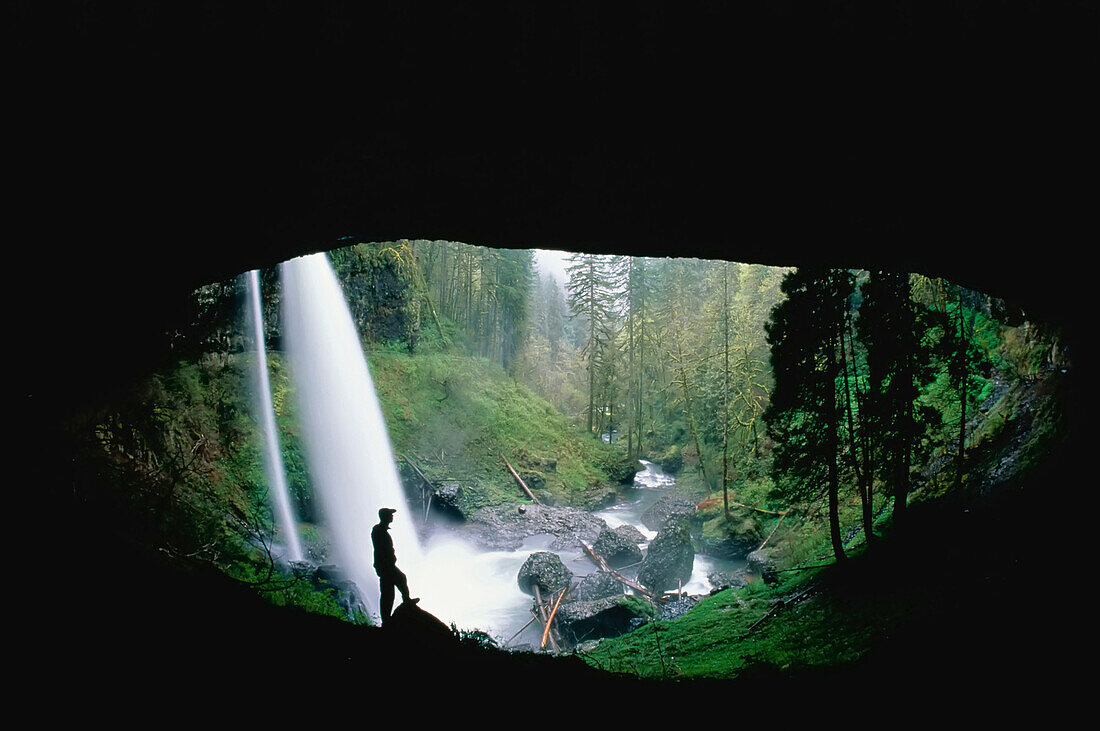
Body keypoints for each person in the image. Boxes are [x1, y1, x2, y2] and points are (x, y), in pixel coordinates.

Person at [371, 507, 418, 625]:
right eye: (390, 515)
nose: (392, 516)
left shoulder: (381, 531)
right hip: (385, 566)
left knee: (391, 589)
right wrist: (388, 561)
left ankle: (403, 604)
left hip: (386, 565)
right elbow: (382, 550)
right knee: (389, 591)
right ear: (385, 517)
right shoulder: (379, 531)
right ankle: (388, 619)